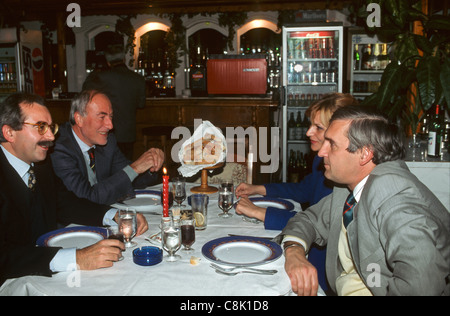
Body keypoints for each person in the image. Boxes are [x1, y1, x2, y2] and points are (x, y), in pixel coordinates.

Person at [277, 106, 450, 296]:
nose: (321, 152)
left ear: (364, 154)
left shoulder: (395, 198)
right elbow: (308, 220)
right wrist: (294, 253)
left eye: (332, 144)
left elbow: (421, 285)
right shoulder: (350, 187)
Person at [0, 92, 148, 285]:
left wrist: (115, 215)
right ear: (9, 132)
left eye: (50, 127)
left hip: (42, 271)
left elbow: (66, 203)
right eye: (41, 127)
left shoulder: (40, 165)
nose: (51, 137)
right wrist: (76, 258)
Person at [235, 93, 359, 293]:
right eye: (311, 125)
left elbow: (322, 224)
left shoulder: (344, 172)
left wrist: (261, 213)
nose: (308, 132)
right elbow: (303, 190)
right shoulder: (321, 160)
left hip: (324, 269)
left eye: (318, 127)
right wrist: (259, 188)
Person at [51, 90, 164, 206]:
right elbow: (86, 199)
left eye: (110, 117)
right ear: (79, 119)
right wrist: (135, 168)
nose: (110, 125)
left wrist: (151, 165)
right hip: (71, 222)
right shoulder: (58, 148)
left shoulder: (108, 141)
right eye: (102, 117)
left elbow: (128, 179)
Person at [82, 44, 145, 160]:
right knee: (127, 166)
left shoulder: (101, 78)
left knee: (108, 169)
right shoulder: (137, 78)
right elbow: (141, 104)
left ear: (108, 62)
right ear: (124, 59)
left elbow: (85, 92)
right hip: (128, 132)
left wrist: (94, 71)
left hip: (107, 132)